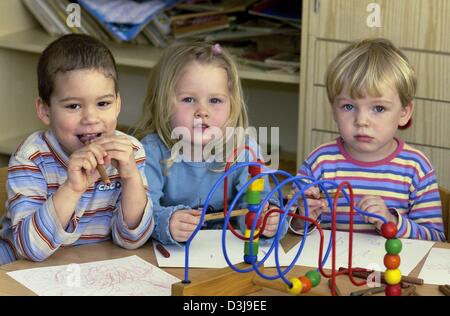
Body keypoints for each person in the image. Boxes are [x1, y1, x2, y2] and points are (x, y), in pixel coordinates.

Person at [0, 34, 154, 265]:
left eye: (103, 104)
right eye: (73, 106)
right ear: (45, 111)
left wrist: (131, 178)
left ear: (118, 104)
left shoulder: (130, 152)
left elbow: (132, 239)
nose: (91, 118)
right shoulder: (31, 158)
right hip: (20, 268)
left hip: (90, 269)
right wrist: (72, 188)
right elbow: (29, 249)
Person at [289, 38, 444, 241]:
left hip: (392, 271)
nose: (361, 121)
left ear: (404, 112)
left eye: (378, 108)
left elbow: (435, 239)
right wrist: (302, 218)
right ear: (333, 110)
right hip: (330, 270)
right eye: (348, 106)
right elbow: (287, 230)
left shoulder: (415, 167)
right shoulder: (320, 162)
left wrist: (392, 222)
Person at [136, 41, 287, 245]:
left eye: (215, 101)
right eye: (189, 99)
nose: (202, 111)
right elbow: (140, 214)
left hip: (229, 260)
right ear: (162, 102)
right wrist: (166, 222)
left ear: (232, 106)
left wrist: (268, 222)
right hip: (172, 262)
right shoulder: (151, 152)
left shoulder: (245, 149)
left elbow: (259, 201)